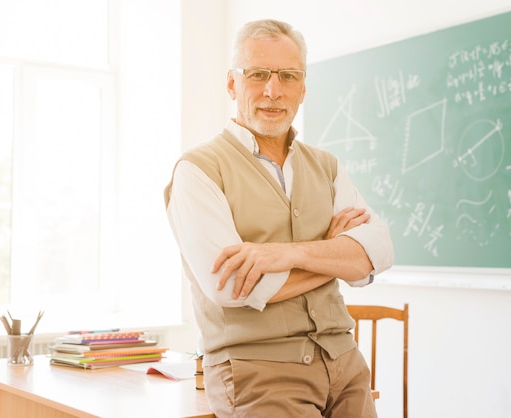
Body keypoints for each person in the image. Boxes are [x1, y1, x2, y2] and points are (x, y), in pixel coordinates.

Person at [164, 19, 394, 418]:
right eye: (258, 74)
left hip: (345, 365)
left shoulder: (327, 166)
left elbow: (377, 254)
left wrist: (283, 255)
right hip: (258, 374)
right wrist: (333, 255)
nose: (274, 90)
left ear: (302, 89)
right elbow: (232, 286)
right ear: (233, 84)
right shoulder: (198, 170)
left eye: (288, 76)